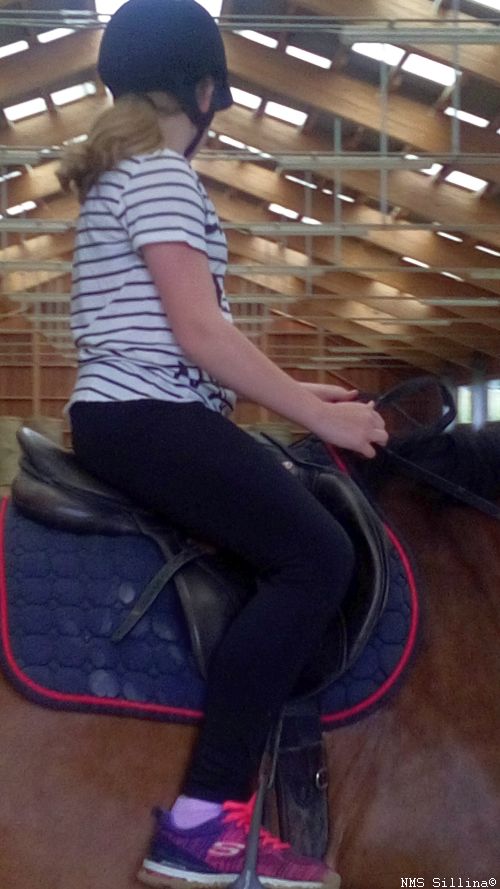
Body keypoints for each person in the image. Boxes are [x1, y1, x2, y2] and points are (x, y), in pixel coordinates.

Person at [58, 1, 388, 886]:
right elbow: (199, 333)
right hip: (149, 414)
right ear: (204, 91)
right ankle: (203, 819)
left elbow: (186, 336)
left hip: (133, 411)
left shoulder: (122, 176)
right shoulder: (164, 176)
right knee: (317, 556)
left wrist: (296, 394)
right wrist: (321, 417)